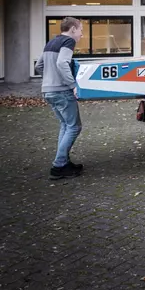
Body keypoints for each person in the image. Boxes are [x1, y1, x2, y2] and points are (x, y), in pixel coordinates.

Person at [35, 17, 84, 180]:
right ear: (72, 29)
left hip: (48, 91)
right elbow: (63, 63)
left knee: (65, 125)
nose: (82, 35)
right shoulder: (68, 41)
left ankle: (64, 163)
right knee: (74, 127)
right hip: (62, 91)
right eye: (81, 30)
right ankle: (58, 166)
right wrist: (73, 85)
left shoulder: (51, 42)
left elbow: (38, 66)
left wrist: (49, 80)